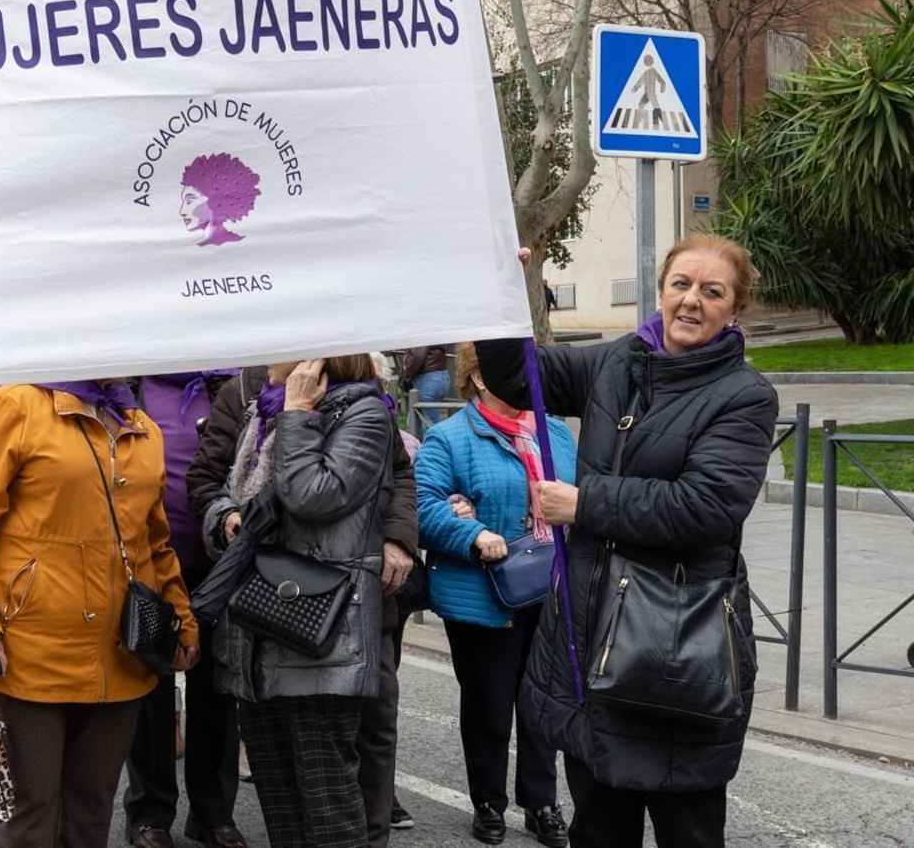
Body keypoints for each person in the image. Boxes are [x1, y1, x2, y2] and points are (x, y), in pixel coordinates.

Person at [475, 234, 779, 848]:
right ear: (661, 289)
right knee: (599, 829)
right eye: (681, 284)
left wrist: (586, 504)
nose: (691, 301)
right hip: (592, 640)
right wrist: (502, 291)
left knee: (688, 831)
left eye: (711, 291)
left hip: (676, 648)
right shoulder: (617, 361)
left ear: (734, 309)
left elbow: (707, 507)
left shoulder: (744, 395)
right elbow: (514, 375)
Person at [0, 380, 200, 848]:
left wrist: (180, 617)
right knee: (25, 814)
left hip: (122, 658)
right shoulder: (17, 404)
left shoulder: (140, 427)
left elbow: (154, 543)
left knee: (91, 811)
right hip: (29, 654)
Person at [190, 364, 419, 843]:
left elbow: (312, 496)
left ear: (315, 361)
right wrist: (229, 520)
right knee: (281, 802)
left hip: (320, 634)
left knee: (328, 806)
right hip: (259, 627)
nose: (265, 357)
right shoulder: (259, 408)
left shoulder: (363, 413)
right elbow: (221, 488)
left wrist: (296, 414)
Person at [415, 343, 575, 847]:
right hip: (485, 595)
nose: (528, 381)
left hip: (550, 591)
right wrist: (474, 534)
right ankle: (487, 800)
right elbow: (423, 505)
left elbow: (581, 493)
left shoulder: (555, 433)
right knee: (489, 704)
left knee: (542, 704)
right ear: (480, 378)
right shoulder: (448, 438)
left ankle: (541, 802)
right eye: (514, 371)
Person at [123, 371, 246, 848]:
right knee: (148, 691)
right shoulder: (134, 385)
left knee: (217, 690)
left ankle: (213, 812)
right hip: (148, 564)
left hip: (218, 562)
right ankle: (149, 813)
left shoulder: (229, 385)